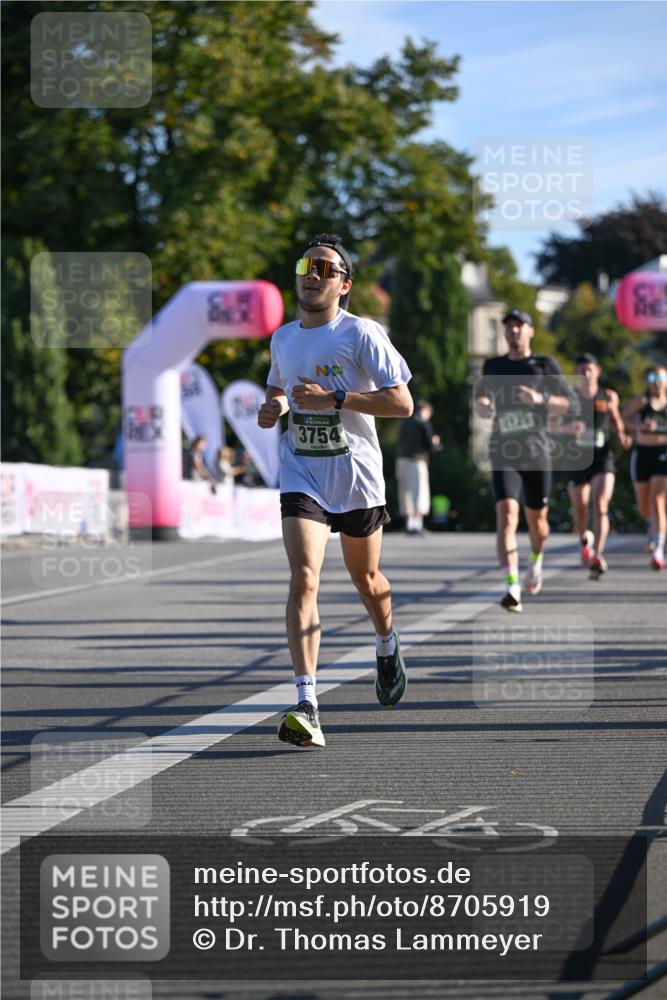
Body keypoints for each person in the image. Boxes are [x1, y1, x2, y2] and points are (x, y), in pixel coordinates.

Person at [257, 233, 413, 748]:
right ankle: (307, 702)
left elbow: (401, 404)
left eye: (326, 268)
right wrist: (274, 408)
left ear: (344, 284)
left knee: (367, 580)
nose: (313, 274)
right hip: (301, 470)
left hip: (356, 474)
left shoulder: (361, 333)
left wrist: (337, 398)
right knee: (304, 577)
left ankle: (386, 643)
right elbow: (280, 389)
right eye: (307, 264)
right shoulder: (282, 338)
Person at [475, 309, 576, 612]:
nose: (513, 332)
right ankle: (512, 586)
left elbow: (570, 404)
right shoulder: (492, 365)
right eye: (509, 328)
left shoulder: (545, 365)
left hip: (536, 451)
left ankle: (536, 561)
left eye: (519, 327)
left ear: (530, 331)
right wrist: (482, 406)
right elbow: (482, 396)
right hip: (503, 450)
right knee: (506, 515)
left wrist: (541, 399)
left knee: (538, 521)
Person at [564, 354, 632, 579]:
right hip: (577, 458)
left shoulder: (609, 396)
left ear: (598, 371)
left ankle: (598, 555)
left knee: (601, 503)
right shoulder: (569, 398)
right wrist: (569, 429)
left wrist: (621, 435)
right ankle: (585, 538)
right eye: (581, 369)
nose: (585, 373)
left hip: (602, 457)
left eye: (589, 369)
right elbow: (553, 425)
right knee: (581, 511)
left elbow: (616, 421)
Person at [623, 365, 667, 570]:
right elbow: (624, 418)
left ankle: (659, 549)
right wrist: (640, 426)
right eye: (652, 376)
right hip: (642, 454)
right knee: (644, 506)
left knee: (658, 499)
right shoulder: (641, 402)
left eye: (660, 376)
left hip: (663, 453)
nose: (656, 380)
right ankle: (651, 528)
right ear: (647, 380)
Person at [396, 399, 441, 534]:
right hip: (416, 461)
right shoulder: (423, 423)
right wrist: (436, 443)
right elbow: (430, 445)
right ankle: (417, 524)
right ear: (425, 410)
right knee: (419, 492)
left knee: (405, 492)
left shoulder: (404, 422)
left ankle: (409, 523)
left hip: (401, 460)